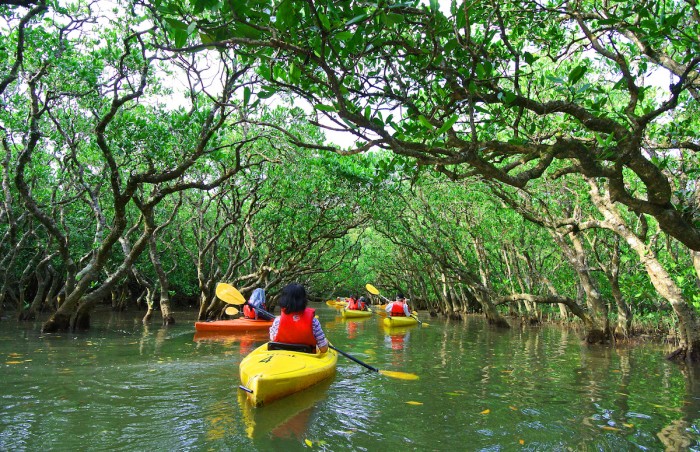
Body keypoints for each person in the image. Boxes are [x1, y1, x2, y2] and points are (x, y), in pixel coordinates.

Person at [269, 283, 329, 353]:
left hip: (282, 357)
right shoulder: (314, 322)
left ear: (283, 299)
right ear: (303, 300)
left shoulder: (277, 321)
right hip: (307, 358)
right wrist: (326, 342)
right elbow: (323, 349)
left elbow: (273, 340)